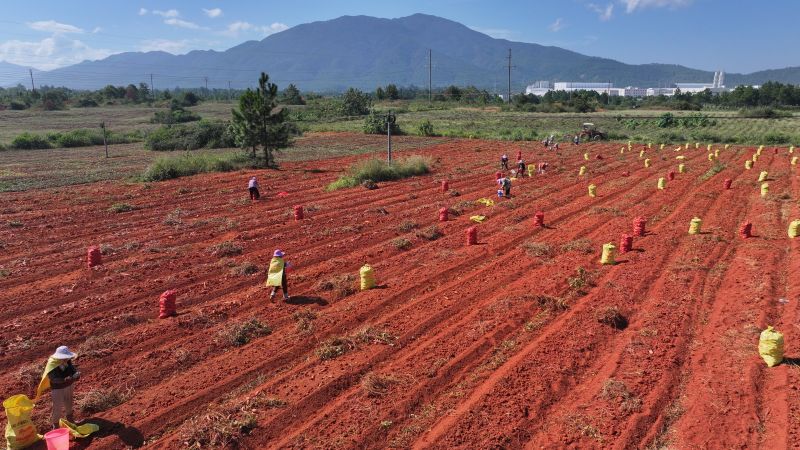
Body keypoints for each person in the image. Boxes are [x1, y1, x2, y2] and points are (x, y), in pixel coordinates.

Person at [37, 346, 80, 429]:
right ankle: (56, 426)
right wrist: (64, 379)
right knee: (57, 407)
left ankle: (70, 420)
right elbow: (53, 379)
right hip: (58, 389)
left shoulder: (68, 361)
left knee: (69, 403)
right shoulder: (52, 364)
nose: (66, 359)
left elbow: (73, 370)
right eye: (64, 358)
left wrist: (76, 375)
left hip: (69, 385)